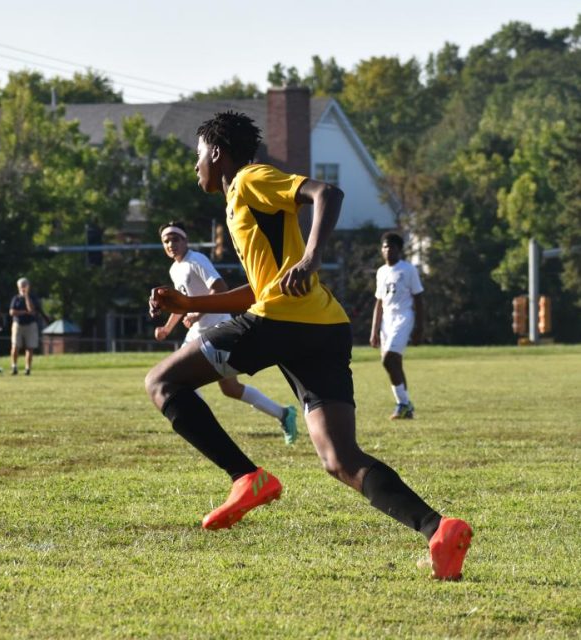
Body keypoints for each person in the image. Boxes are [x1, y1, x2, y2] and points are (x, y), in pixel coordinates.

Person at [146, 111, 471, 580]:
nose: (195, 166)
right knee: (339, 458)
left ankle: (247, 477)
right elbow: (261, 287)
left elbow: (326, 193)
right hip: (323, 326)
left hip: (281, 321)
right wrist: (187, 301)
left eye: (198, 156)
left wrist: (312, 257)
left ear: (217, 153)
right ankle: (439, 529)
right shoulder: (238, 202)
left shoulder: (250, 179)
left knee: (162, 382)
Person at [155, 221, 298, 444]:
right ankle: (283, 414)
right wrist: (167, 328)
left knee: (186, 381)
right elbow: (184, 304)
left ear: (186, 240)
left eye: (175, 238)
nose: (171, 244)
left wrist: (197, 314)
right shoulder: (175, 268)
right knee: (225, 388)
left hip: (217, 331)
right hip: (196, 333)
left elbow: (219, 288)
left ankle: (203, 431)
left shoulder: (197, 260)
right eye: (166, 241)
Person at [370, 232, 424, 420]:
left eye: (391, 246)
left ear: (399, 249)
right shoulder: (381, 272)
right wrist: (374, 330)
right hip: (387, 320)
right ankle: (406, 407)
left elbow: (418, 298)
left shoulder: (408, 270)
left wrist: (419, 327)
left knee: (388, 359)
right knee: (395, 363)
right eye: (385, 246)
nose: (387, 250)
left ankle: (403, 403)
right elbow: (379, 302)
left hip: (403, 317)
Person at [9, 277, 42, 376]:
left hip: (30, 325)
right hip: (18, 325)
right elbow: (12, 312)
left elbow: (31, 310)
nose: (22, 288)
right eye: (20, 286)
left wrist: (26, 296)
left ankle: (27, 368)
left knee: (30, 347)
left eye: (24, 286)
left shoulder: (32, 297)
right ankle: (14, 366)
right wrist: (23, 312)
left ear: (28, 286)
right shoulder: (16, 298)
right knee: (15, 346)